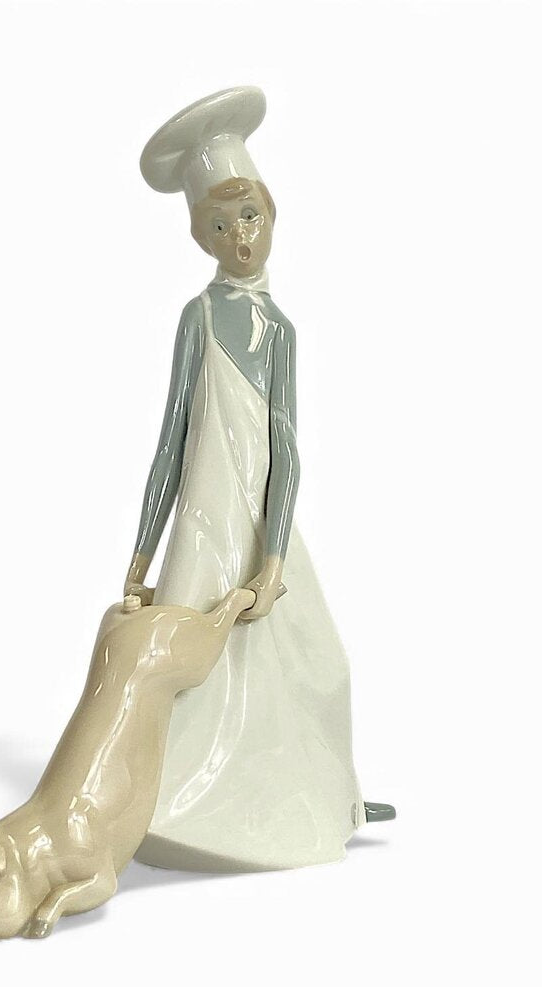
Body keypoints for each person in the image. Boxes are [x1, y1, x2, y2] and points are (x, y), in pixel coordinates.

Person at [125, 86, 394, 872]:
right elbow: (170, 444)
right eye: (220, 225)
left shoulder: (279, 329)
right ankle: (161, 803)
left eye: (250, 217)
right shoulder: (200, 318)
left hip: (259, 524)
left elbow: (287, 445)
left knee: (315, 661)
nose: (240, 237)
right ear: (199, 235)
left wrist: (273, 559)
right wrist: (141, 558)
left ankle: (330, 790)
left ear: (272, 215)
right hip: (205, 525)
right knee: (189, 672)